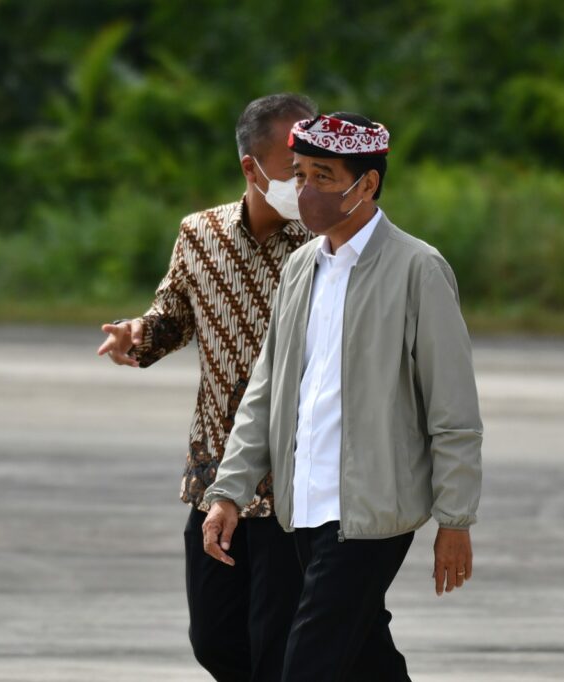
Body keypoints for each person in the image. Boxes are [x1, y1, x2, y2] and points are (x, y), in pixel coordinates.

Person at [200, 112, 483, 681]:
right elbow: (266, 392)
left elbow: (453, 407)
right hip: (303, 505)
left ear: (368, 185)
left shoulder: (418, 269)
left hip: (373, 512)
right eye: (300, 175)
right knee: (365, 658)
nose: (305, 192)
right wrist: (228, 491)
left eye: (323, 177)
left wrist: (455, 519)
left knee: (307, 664)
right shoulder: (302, 268)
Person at [96, 93, 316, 680]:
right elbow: (172, 316)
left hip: (300, 476)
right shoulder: (201, 235)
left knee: (278, 644)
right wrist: (134, 335)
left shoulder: (326, 247)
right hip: (217, 471)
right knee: (215, 640)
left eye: (314, 167)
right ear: (252, 167)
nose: (305, 182)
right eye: (294, 168)